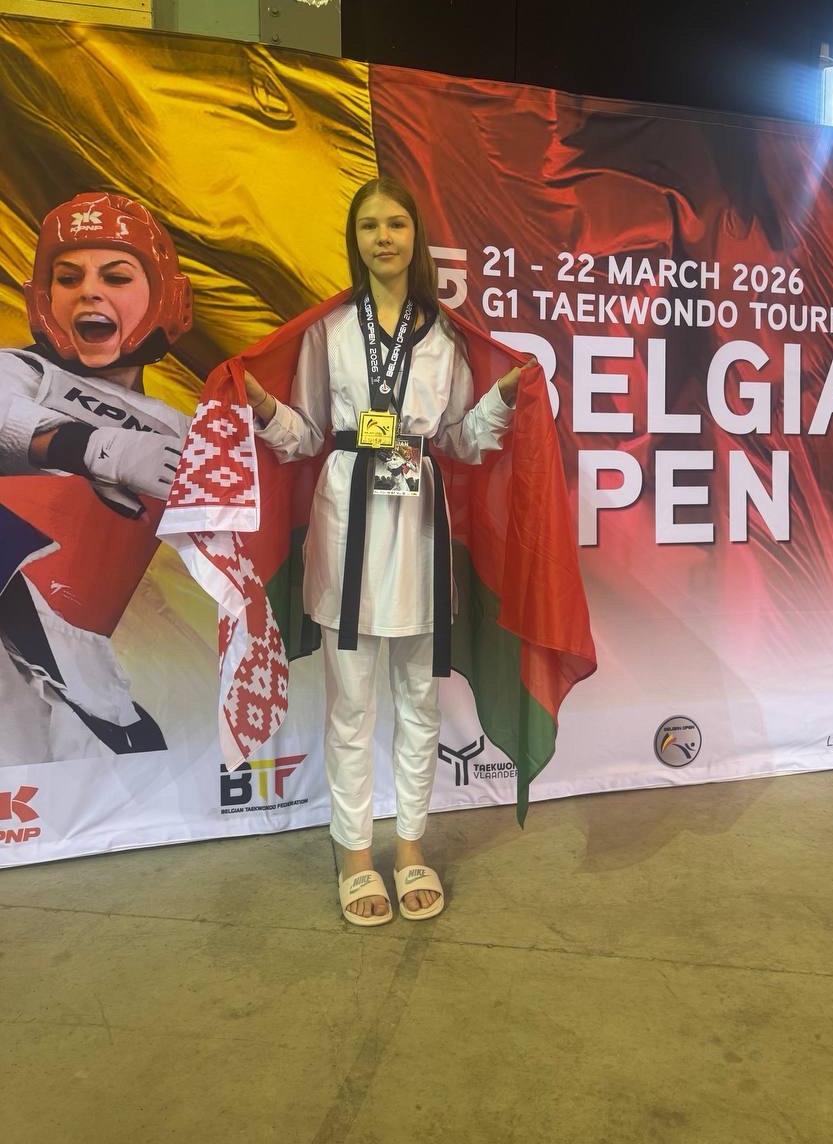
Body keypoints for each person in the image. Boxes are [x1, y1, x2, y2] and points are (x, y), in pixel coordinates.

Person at [244, 177, 533, 925]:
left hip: (419, 526)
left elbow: (460, 440)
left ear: (415, 237)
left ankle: (408, 848)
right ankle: (353, 854)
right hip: (347, 521)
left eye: (396, 224)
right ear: (356, 240)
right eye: (369, 225)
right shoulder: (330, 331)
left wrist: (502, 400)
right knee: (350, 706)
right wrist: (268, 411)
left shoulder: (445, 338)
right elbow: (308, 436)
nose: (383, 237)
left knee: (419, 702)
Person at [0, 192, 192, 764]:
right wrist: (92, 447)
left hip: (100, 666)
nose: (88, 291)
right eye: (67, 277)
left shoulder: (181, 429)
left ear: (165, 297)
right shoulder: (19, 371)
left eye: (116, 275)